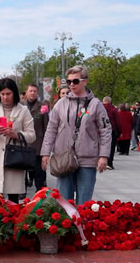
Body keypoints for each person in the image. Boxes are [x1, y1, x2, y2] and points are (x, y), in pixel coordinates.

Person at [41, 65, 112, 205]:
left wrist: (104, 156)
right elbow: (51, 129)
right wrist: (45, 152)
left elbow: (105, 130)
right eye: (69, 82)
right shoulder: (60, 104)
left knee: (84, 203)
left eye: (75, 81)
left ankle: (83, 226)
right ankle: (67, 227)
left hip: (87, 158)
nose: (71, 85)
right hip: (64, 158)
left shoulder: (96, 104)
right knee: (64, 203)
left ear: (85, 81)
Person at [0, 78, 35, 201]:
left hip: (14, 158)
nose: (5, 97)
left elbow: (32, 135)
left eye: (8, 94)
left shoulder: (23, 110)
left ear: (14, 93)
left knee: (13, 198)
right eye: (2, 94)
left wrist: (17, 135)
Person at [23, 84, 49, 191]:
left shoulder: (42, 107)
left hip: (38, 144)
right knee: (23, 170)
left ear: (37, 93)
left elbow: (47, 126)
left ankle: (40, 193)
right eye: (30, 91)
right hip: (24, 144)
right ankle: (22, 190)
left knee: (39, 172)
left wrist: (46, 145)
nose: (32, 93)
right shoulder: (21, 107)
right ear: (26, 92)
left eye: (34, 91)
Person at [102, 97, 119, 170]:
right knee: (111, 147)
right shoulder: (114, 110)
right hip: (111, 130)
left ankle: (100, 161)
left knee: (100, 145)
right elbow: (118, 121)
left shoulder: (99, 108)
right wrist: (119, 131)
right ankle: (109, 162)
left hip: (100, 130)